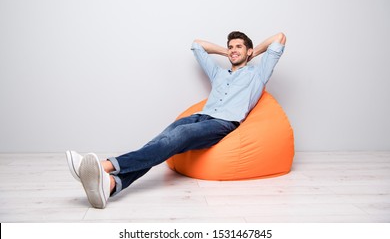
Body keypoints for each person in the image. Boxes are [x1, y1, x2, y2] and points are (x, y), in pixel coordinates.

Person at [66, 31, 286, 209]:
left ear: (248, 51)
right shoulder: (219, 74)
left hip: (223, 123)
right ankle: (113, 185)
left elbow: (279, 38)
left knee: (179, 136)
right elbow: (197, 45)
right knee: (161, 140)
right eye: (231, 47)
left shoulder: (257, 75)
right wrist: (226, 52)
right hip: (199, 117)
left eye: (238, 47)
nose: (233, 50)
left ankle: (105, 166)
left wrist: (253, 53)